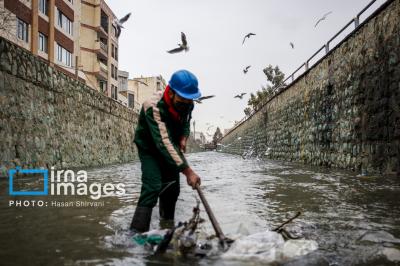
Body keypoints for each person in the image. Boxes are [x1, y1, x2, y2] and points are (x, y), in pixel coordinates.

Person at [130, 69, 202, 233]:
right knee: (153, 185)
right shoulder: (153, 107)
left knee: (172, 188)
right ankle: (135, 234)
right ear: (171, 93)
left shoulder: (188, 104)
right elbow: (164, 143)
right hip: (150, 148)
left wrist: (184, 136)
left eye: (189, 100)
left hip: (171, 146)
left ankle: (166, 227)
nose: (186, 103)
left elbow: (186, 122)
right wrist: (188, 171)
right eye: (182, 99)